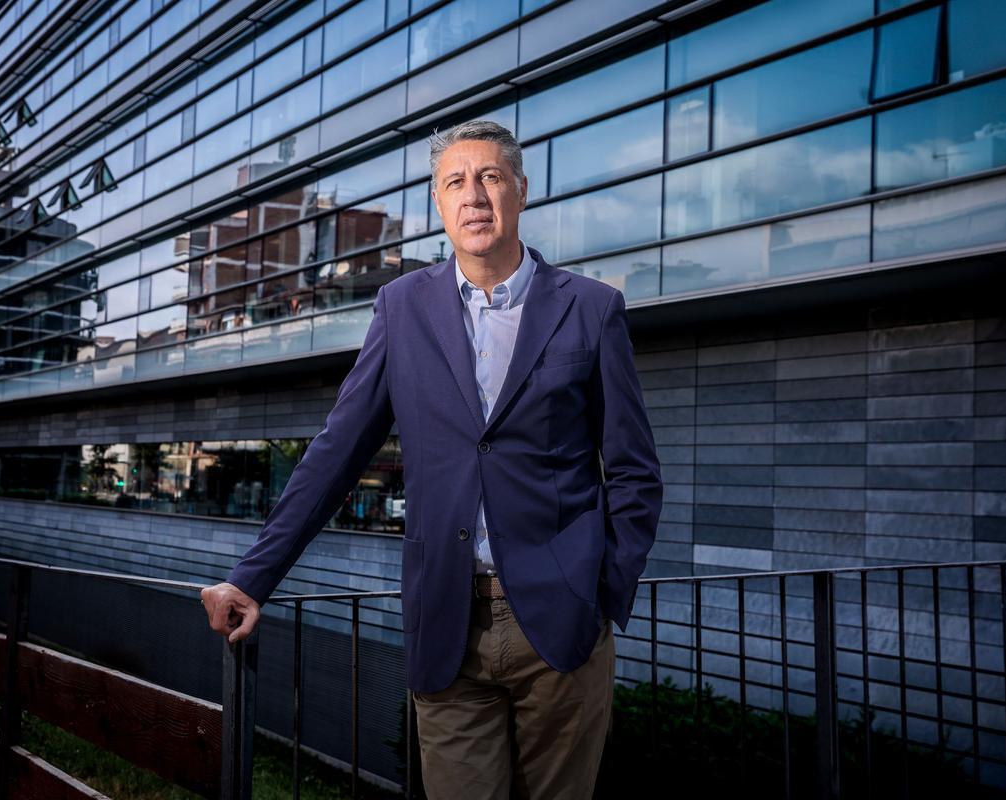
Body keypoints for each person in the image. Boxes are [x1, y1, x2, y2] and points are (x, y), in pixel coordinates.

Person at [200, 120, 663, 799]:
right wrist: (253, 577)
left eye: (490, 177)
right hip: (446, 622)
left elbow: (634, 471)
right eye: (455, 182)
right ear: (439, 205)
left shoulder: (591, 310)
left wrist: (601, 594)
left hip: (562, 629)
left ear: (521, 192)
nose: (473, 195)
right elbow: (335, 453)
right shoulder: (400, 307)